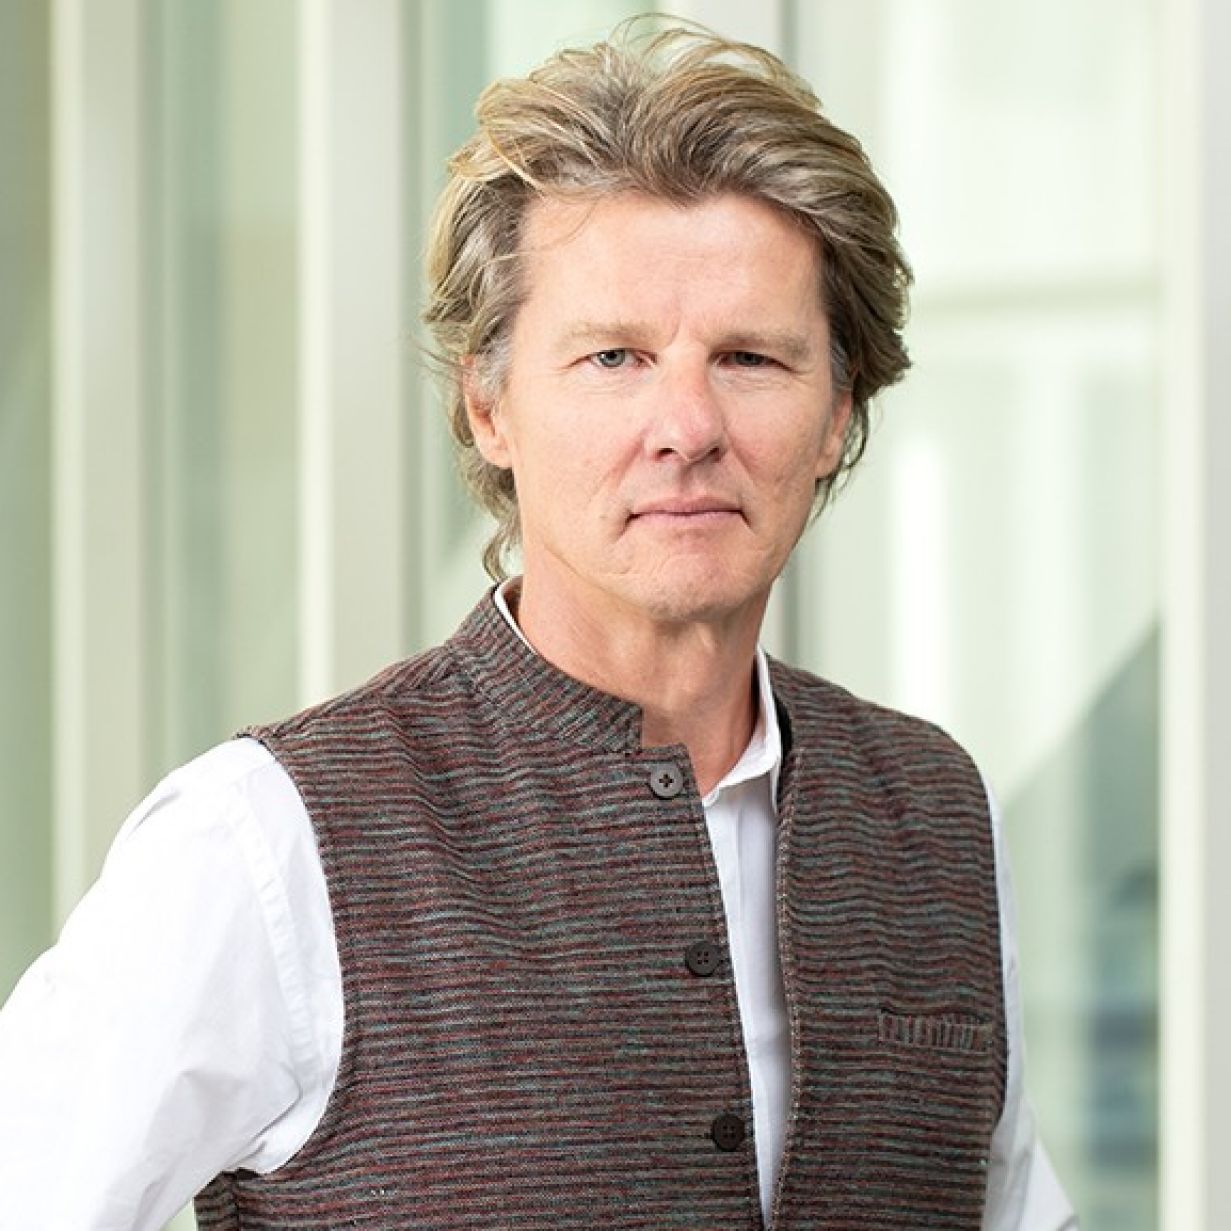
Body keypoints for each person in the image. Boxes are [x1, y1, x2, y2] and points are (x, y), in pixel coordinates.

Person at [0, 19, 1078, 1231]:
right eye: (614, 357)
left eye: (750, 358)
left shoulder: (933, 811)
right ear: (490, 404)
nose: (687, 426)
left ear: (838, 411)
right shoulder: (262, 841)